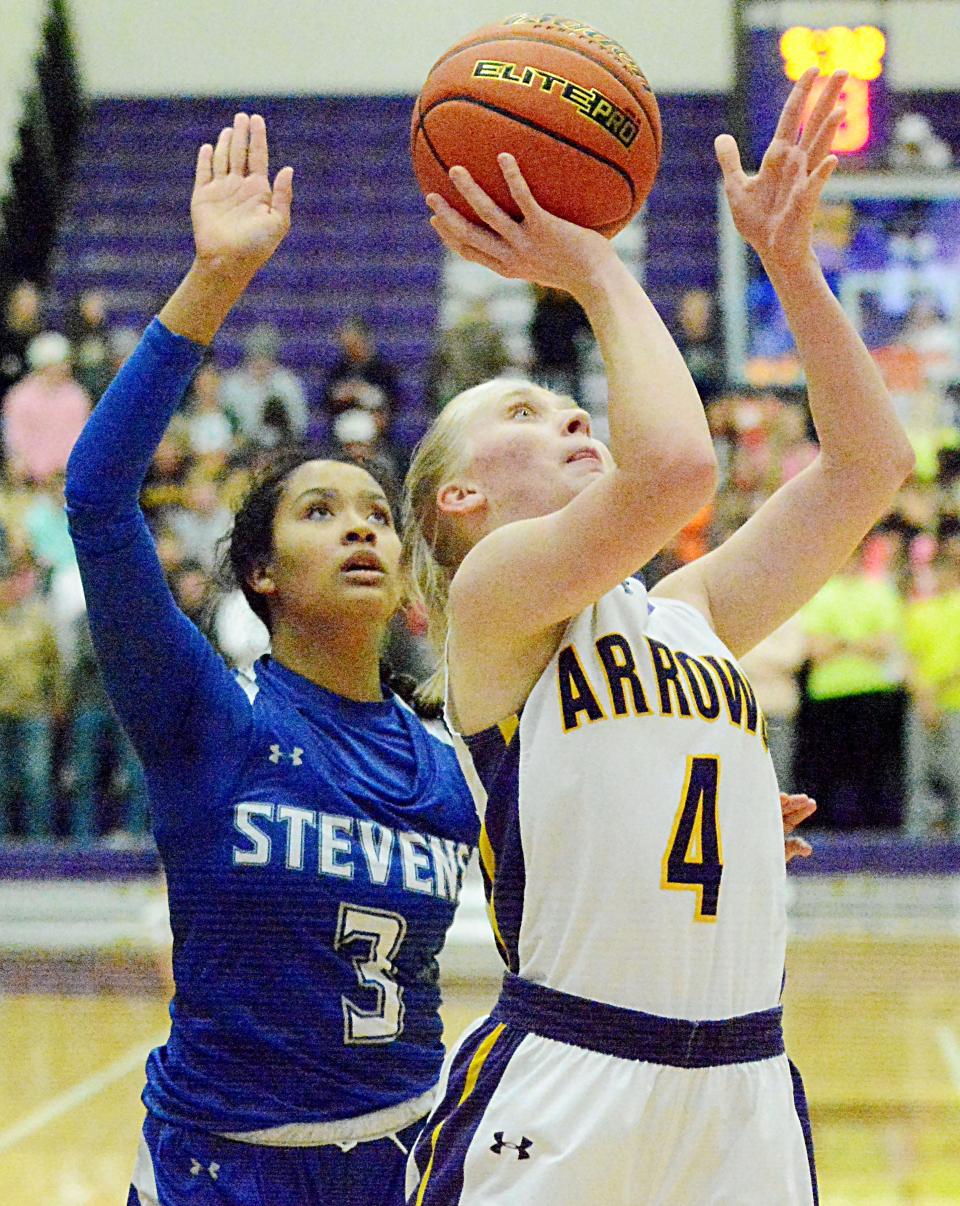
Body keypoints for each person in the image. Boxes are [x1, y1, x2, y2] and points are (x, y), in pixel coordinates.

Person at [402, 69, 914, 1204]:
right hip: (572, 1081)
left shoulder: (686, 615)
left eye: (565, 400)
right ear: (459, 503)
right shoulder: (494, 602)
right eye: (523, 414)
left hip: (743, 1083)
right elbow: (678, 466)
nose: (571, 412)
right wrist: (589, 263)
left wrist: (792, 266)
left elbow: (870, 466)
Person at [63, 113, 477, 1205]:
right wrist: (212, 281)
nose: (360, 527)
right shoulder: (211, 718)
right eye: (319, 509)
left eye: (378, 514)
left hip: (402, 1162)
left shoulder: (449, 762)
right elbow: (98, 499)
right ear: (261, 574)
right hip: (221, 1172)